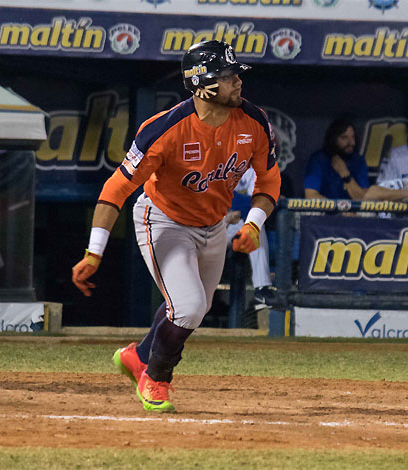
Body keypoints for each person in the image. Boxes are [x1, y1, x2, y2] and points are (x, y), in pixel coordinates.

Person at [71, 40, 281, 413]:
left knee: (188, 308)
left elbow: (268, 180)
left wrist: (253, 224)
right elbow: (115, 189)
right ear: (202, 84)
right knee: (188, 307)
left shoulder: (255, 122)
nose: (238, 83)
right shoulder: (165, 129)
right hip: (163, 219)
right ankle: (156, 377)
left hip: (214, 225)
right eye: (229, 76)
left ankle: (138, 356)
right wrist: (94, 250)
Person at [225, 167, 275, 308]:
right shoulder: (216, 158)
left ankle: (262, 289)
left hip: (236, 221)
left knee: (255, 225)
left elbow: (258, 202)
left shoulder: (252, 167)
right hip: (212, 222)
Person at [304, 118, 369, 200]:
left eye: (353, 137)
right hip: (326, 211)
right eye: (344, 138)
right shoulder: (319, 159)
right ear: (333, 139)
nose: (352, 143)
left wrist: (345, 175)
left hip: (352, 212)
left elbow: (365, 200)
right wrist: (337, 210)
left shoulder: (358, 161)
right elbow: (311, 196)